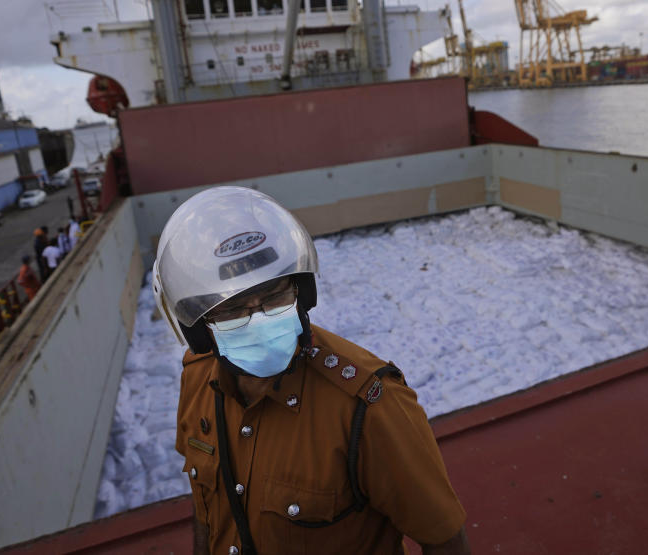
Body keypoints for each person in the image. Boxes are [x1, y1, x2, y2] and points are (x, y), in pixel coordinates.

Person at [154, 187, 470, 555]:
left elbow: (445, 541)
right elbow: (205, 505)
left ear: (301, 292)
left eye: (274, 295)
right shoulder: (197, 378)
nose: (258, 318)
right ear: (199, 326)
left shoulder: (368, 407)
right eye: (234, 309)